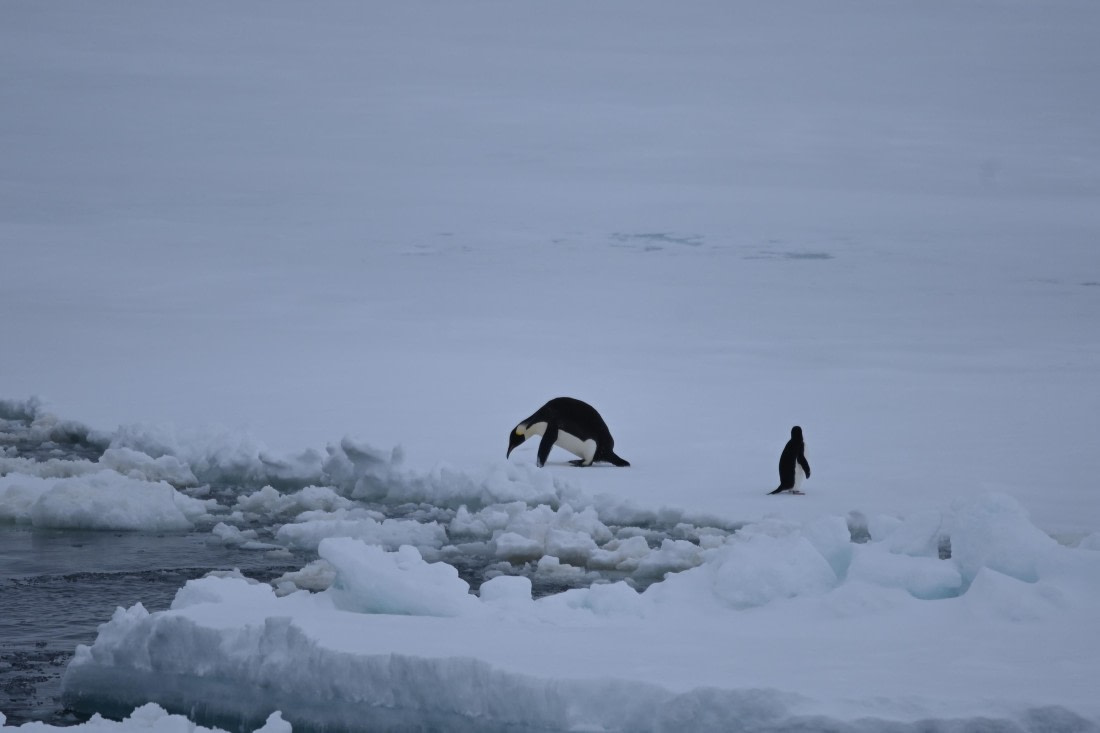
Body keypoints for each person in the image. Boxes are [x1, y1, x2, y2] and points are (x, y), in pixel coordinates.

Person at [769, 426, 810, 494]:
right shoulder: (799, 444)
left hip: (786, 478)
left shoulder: (790, 444)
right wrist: (807, 470)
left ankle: (788, 486)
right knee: (795, 468)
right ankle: (794, 488)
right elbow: (801, 459)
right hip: (791, 479)